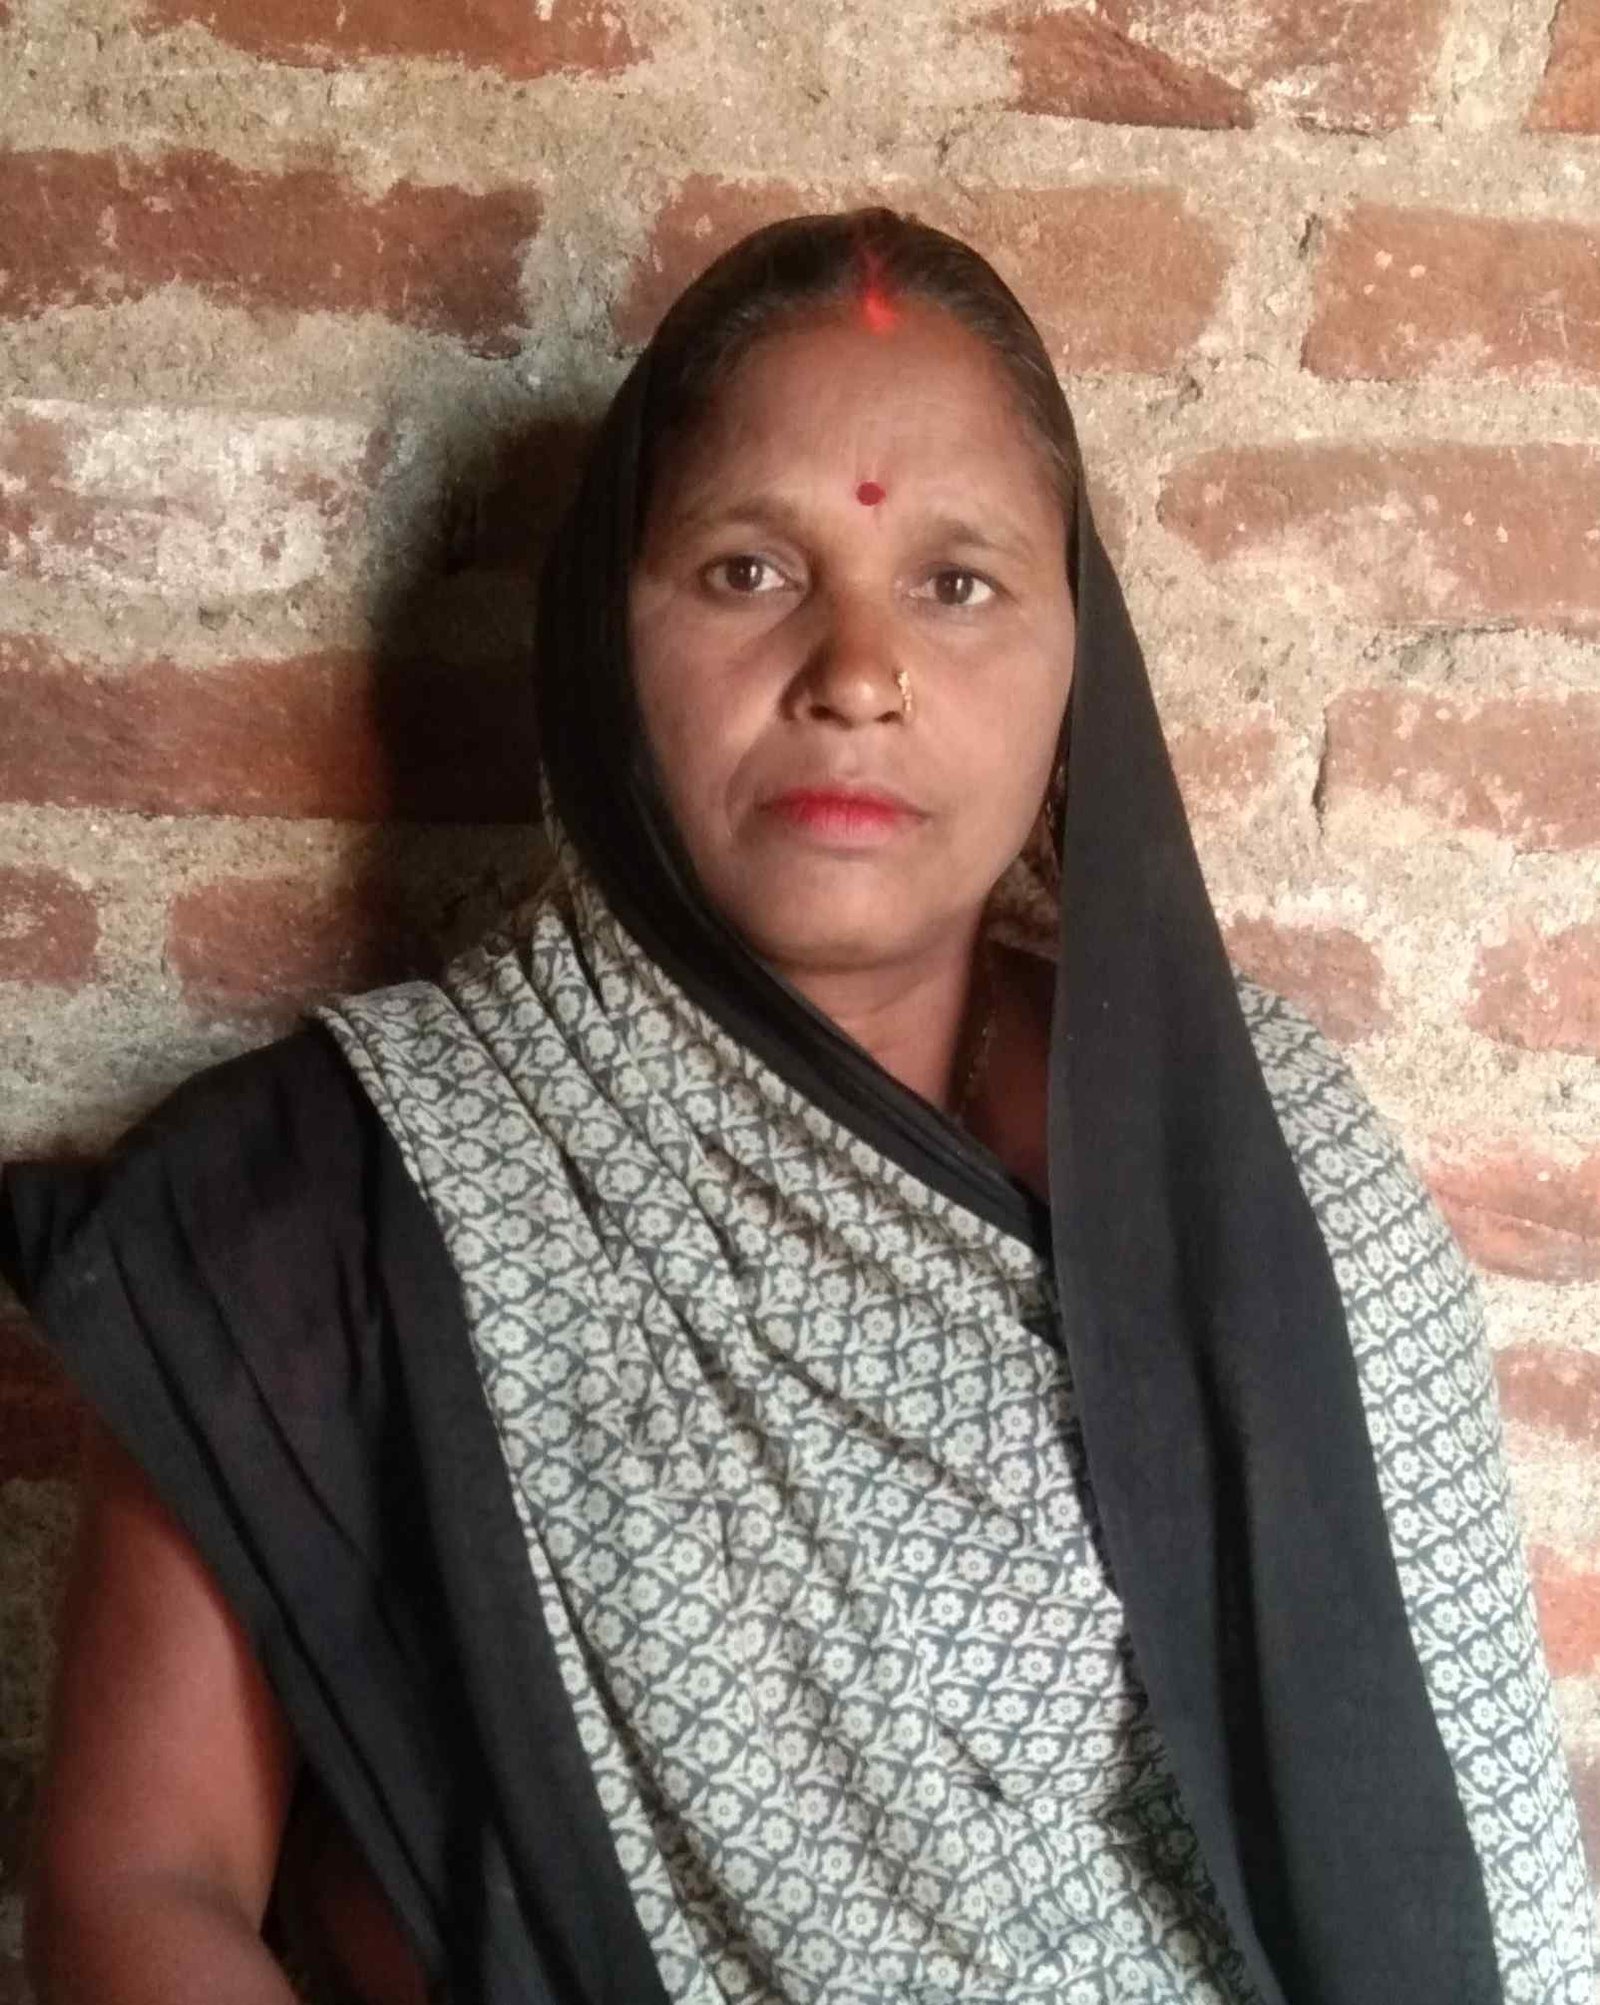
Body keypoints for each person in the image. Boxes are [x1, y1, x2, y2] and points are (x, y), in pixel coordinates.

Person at [0, 205, 1593, 2005]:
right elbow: (140, 1883)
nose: (855, 671)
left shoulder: (1275, 1155)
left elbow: (1471, 1850)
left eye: (957, 582)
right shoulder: (322, 1218)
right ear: (605, 634)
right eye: (748, 570)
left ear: (1080, 667)